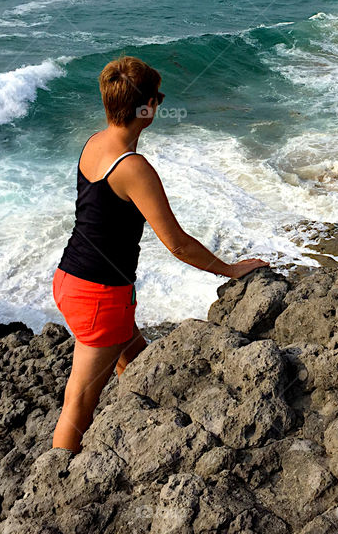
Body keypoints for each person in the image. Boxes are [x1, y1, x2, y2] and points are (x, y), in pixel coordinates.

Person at [51, 55, 269, 452]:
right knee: (78, 403)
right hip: (99, 294)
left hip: (71, 279)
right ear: (145, 108)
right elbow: (177, 244)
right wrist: (230, 270)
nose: (160, 104)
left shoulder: (94, 143)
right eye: (159, 98)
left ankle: (150, 419)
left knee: (134, 354)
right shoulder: (133, 167)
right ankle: (55, 482)